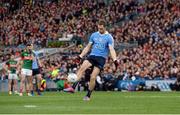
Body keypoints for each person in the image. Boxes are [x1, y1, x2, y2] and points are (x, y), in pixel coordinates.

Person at [71, 20, 118, 101]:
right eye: (99, 28)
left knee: (93, 77)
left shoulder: (109, 37)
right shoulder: (94, 35)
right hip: (92, 56)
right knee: (82, 68)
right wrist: (80, 56)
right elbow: (88, 47)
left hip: (101, 58)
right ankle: (73, 87)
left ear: (104, 27)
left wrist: (115, 59)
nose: (100, 30)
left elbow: (111, 49)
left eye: (101, 29)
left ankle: (88, 95)